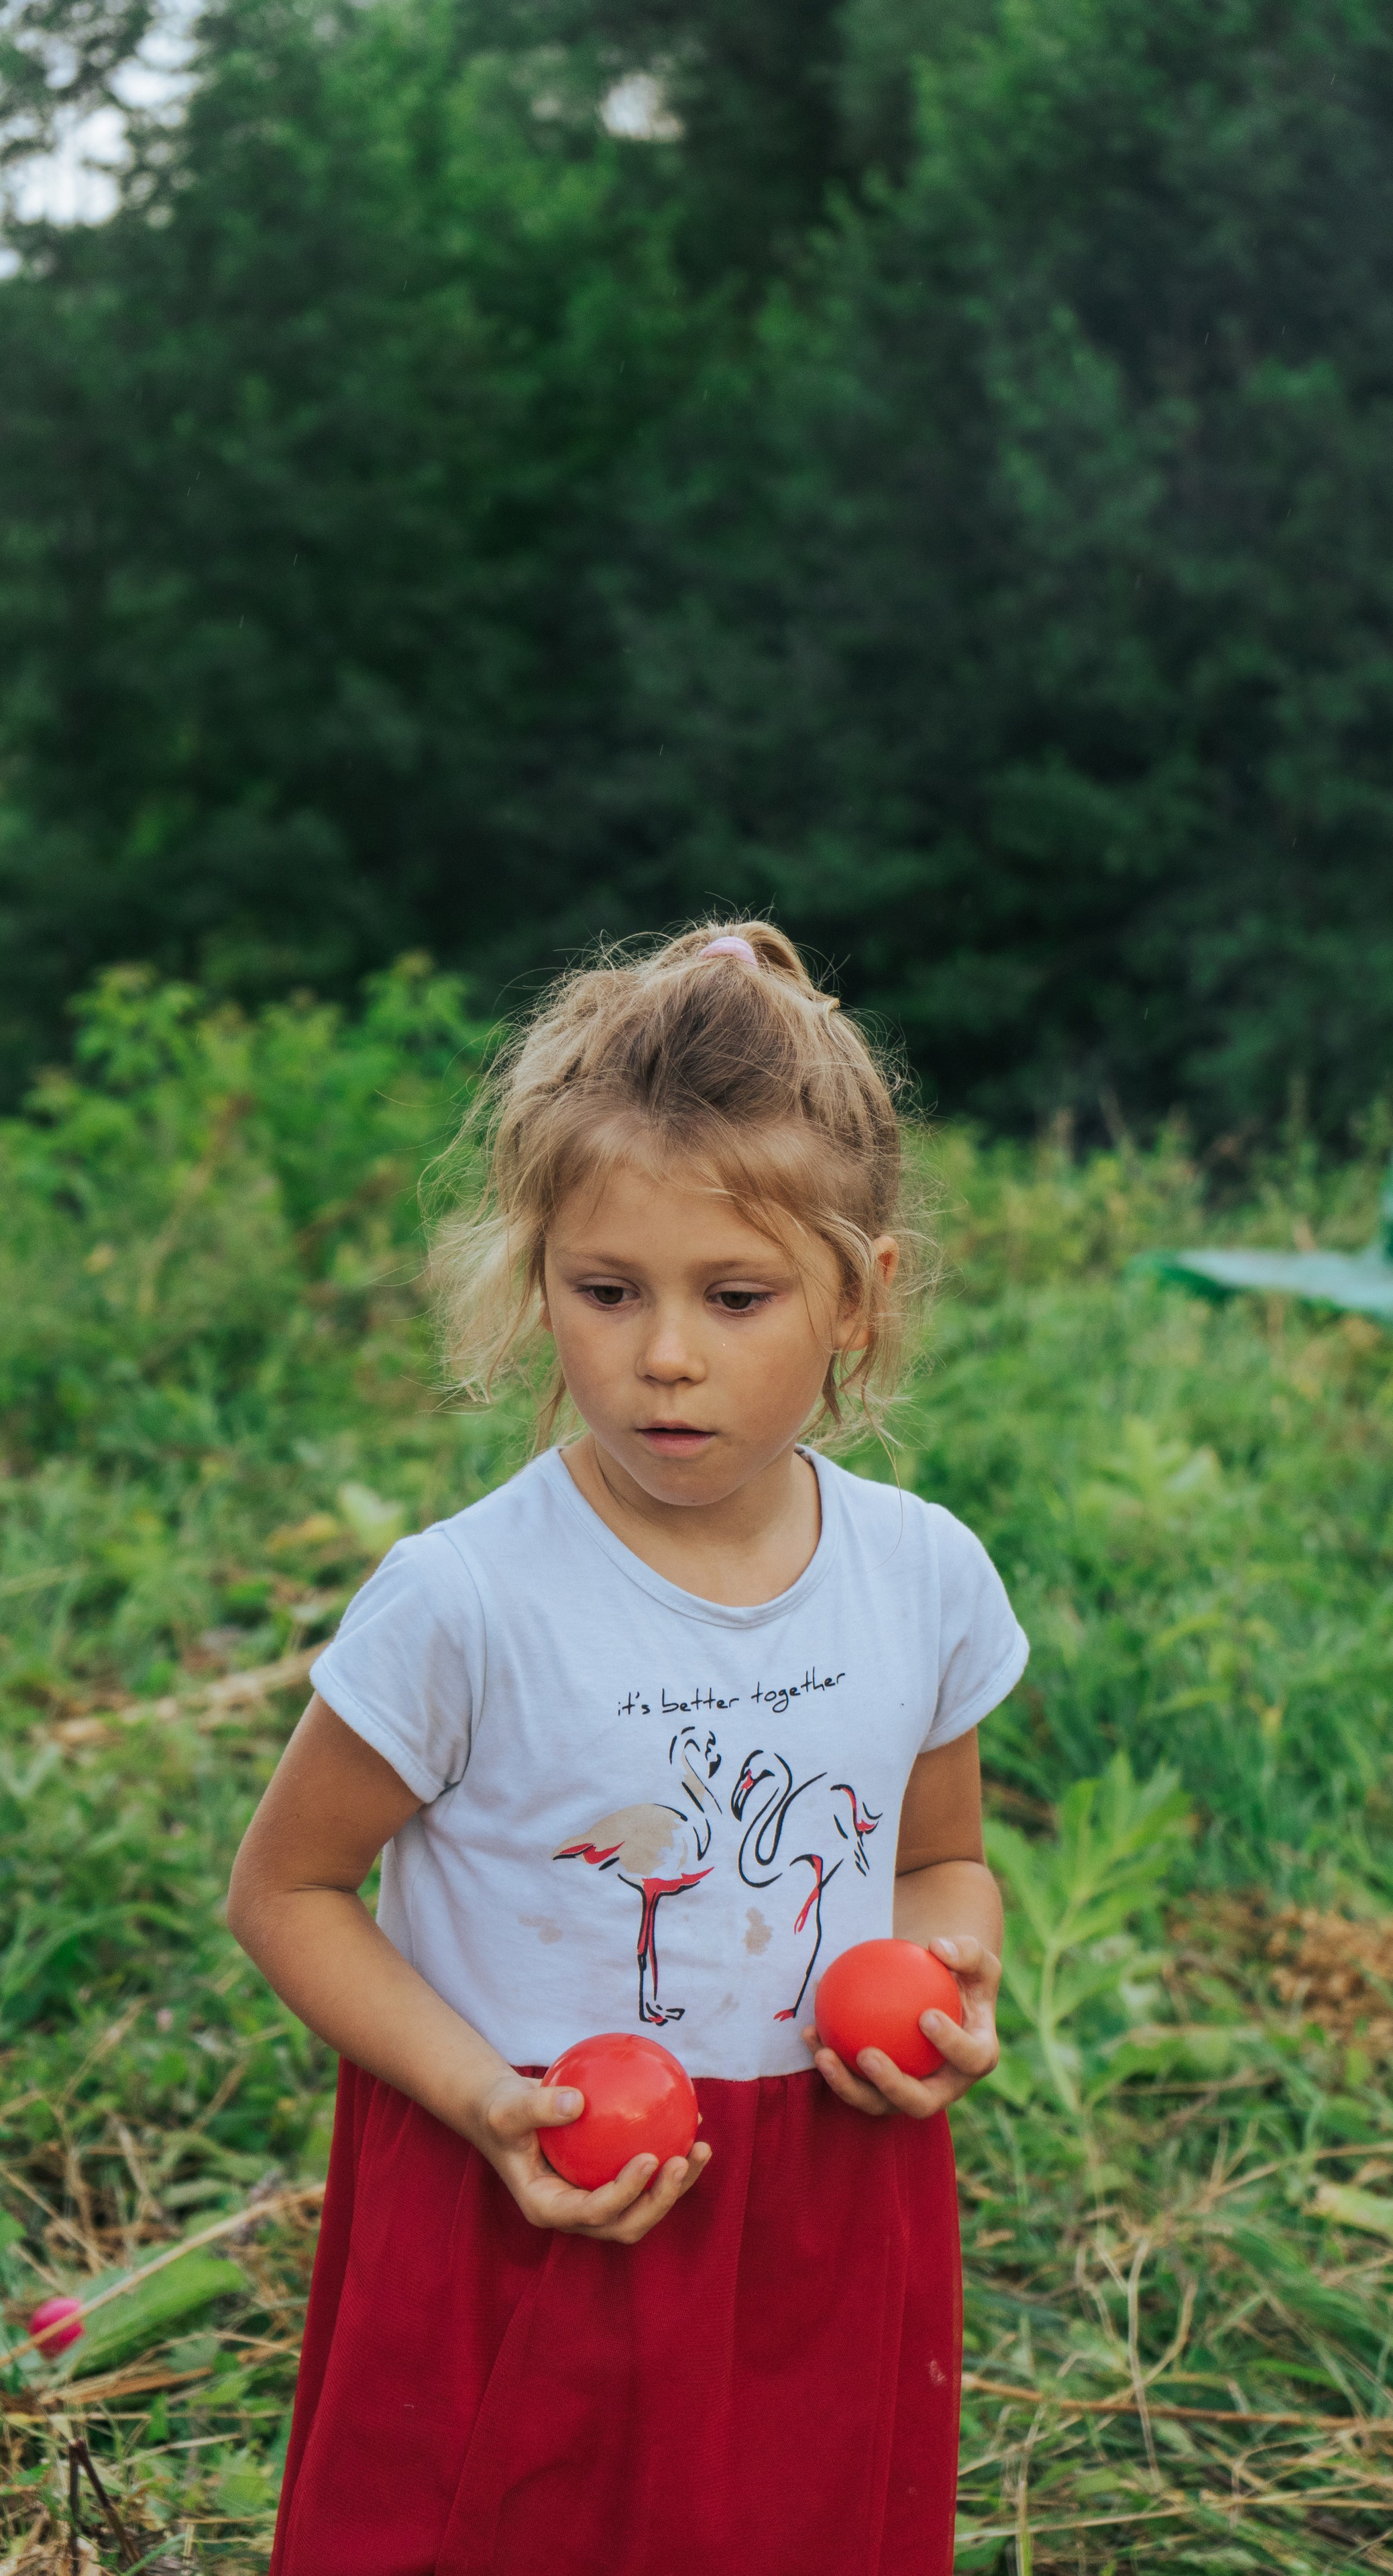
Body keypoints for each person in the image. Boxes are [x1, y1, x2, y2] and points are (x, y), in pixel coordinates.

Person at [227, 922, 1029, 2576]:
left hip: (812, 2208)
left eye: (734, 1298)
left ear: (859, 1305)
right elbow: (288, 1890)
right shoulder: (463, 1600)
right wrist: (485, 2105)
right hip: (521, 2200)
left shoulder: (923, 1574)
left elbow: (937, 1857)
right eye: (607, 1291)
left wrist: (953, 1973)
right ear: (539, 1282)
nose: (664, 1354)